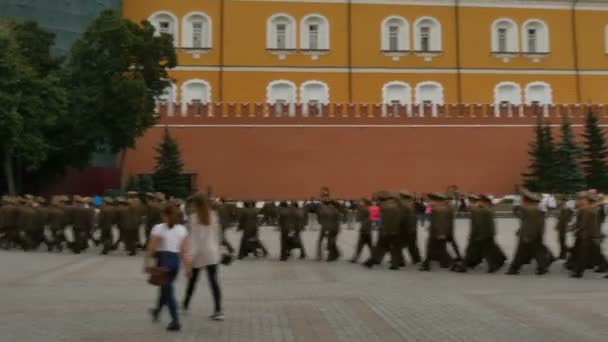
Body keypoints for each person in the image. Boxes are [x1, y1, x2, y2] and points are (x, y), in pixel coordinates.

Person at [146, 203, 190, 332]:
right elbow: (184, 250)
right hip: (175, 262)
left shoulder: (158, 228)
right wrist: (188, 267)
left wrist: (147, 262)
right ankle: (157, 311)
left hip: (163, 261)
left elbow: (152, 247)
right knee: (165, 288)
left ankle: (175, 321)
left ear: (164, 215)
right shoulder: (182, 229)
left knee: (168, 291)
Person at [182, 194, 224, 321]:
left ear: (196, 205)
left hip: (198, 254)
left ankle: (185, 306)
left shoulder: (193, 218)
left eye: (192, 205)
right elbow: (218, 236)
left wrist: (189, 258)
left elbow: (193, 240)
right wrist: (218, 250)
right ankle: (218, 310)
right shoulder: (213, 215)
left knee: (192, 281)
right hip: (211, 253)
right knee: (214, 282)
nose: (191, 207)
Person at [506, 189, 552, 275]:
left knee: (521, 253)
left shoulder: (531, 210)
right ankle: (543, 267)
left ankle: (514, 269)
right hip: (532, 234)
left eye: (522, 199)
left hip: (528, 235)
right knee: (537, 252)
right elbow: (523, 219)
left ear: (526, 200)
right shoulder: (533, 209)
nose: (521, 201)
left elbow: (531, 224)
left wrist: (528, 235)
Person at [364, 191, 402, 270]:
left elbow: (384, 221)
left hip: (386, 231)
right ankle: (395, 265)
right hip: (394, 231)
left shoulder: (384, 207)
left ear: (382, 200)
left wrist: (383, 230)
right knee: (393, 248)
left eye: (378, 199)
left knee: (380, 247)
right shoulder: (396, 206)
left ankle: (372, 261)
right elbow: (397, 220)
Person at [419, 193, 454, 271]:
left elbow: (441, 223)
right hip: (435, 232)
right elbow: (428, 214)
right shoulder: (436, 209)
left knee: (437, 249)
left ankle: (452, 264)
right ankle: (445, 263)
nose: (430, 202)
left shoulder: (441, 210)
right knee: (437, 249)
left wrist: (441, 233)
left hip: (438, 233)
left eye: (432, 201)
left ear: (438, 201)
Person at [351, 198, 373, 263]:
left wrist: (358, 208)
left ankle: (355, 258)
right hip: (367, 229)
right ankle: (355, 258)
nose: (360, 203)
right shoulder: (369, 208)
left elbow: (359, 218)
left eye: (362, 202)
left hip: (365, 229)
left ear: (365, 203)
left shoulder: (365, 209)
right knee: (368, 245)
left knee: (361, 244)